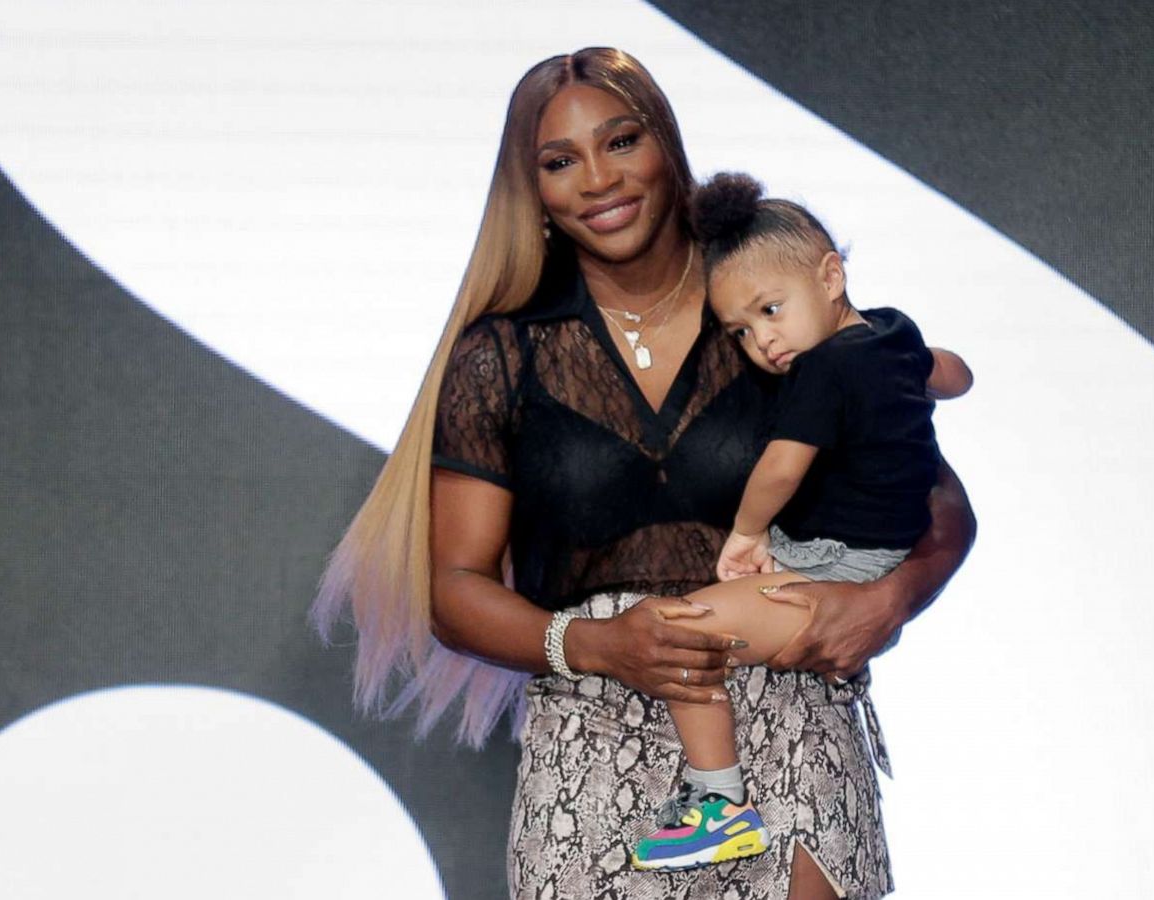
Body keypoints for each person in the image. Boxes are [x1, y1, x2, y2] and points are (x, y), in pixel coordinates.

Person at [309, 47, 976, 900]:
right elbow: (455, 588)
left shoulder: (764, 310)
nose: (597, 179)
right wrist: (590, 645)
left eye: (621, 141)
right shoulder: (502, 357)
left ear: (666, 146)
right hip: (590, 732)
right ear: (534, 192)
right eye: (560, 161)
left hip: (786, 712)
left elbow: (937, 503)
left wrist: (886, 603)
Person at [627, 172, 972, 873]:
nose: (764, 341)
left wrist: (748, 536)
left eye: (771, 309)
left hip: (834, 566)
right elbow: (955, 374)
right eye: (743, 331)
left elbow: (782, 470)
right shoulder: (889, 332)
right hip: (855, 550)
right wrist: (923, 381)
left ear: (831, 275)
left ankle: (717, 805)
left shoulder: (823, 371)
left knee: (679, 633)